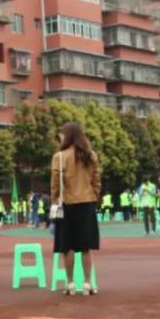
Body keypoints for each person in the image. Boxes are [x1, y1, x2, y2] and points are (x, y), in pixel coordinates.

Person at [51, 123, 101, 296]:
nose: (60, 138)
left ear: (67, 136)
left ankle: (70, 283)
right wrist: (95, 197)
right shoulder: (90, 155)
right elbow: (97, 180)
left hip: (66, 204)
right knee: (86, 246)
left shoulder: (59, 156)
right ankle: (88, 283)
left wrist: (54, 201)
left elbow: (55, 185)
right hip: (87, 203)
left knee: (68, 246)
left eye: (61, 135)